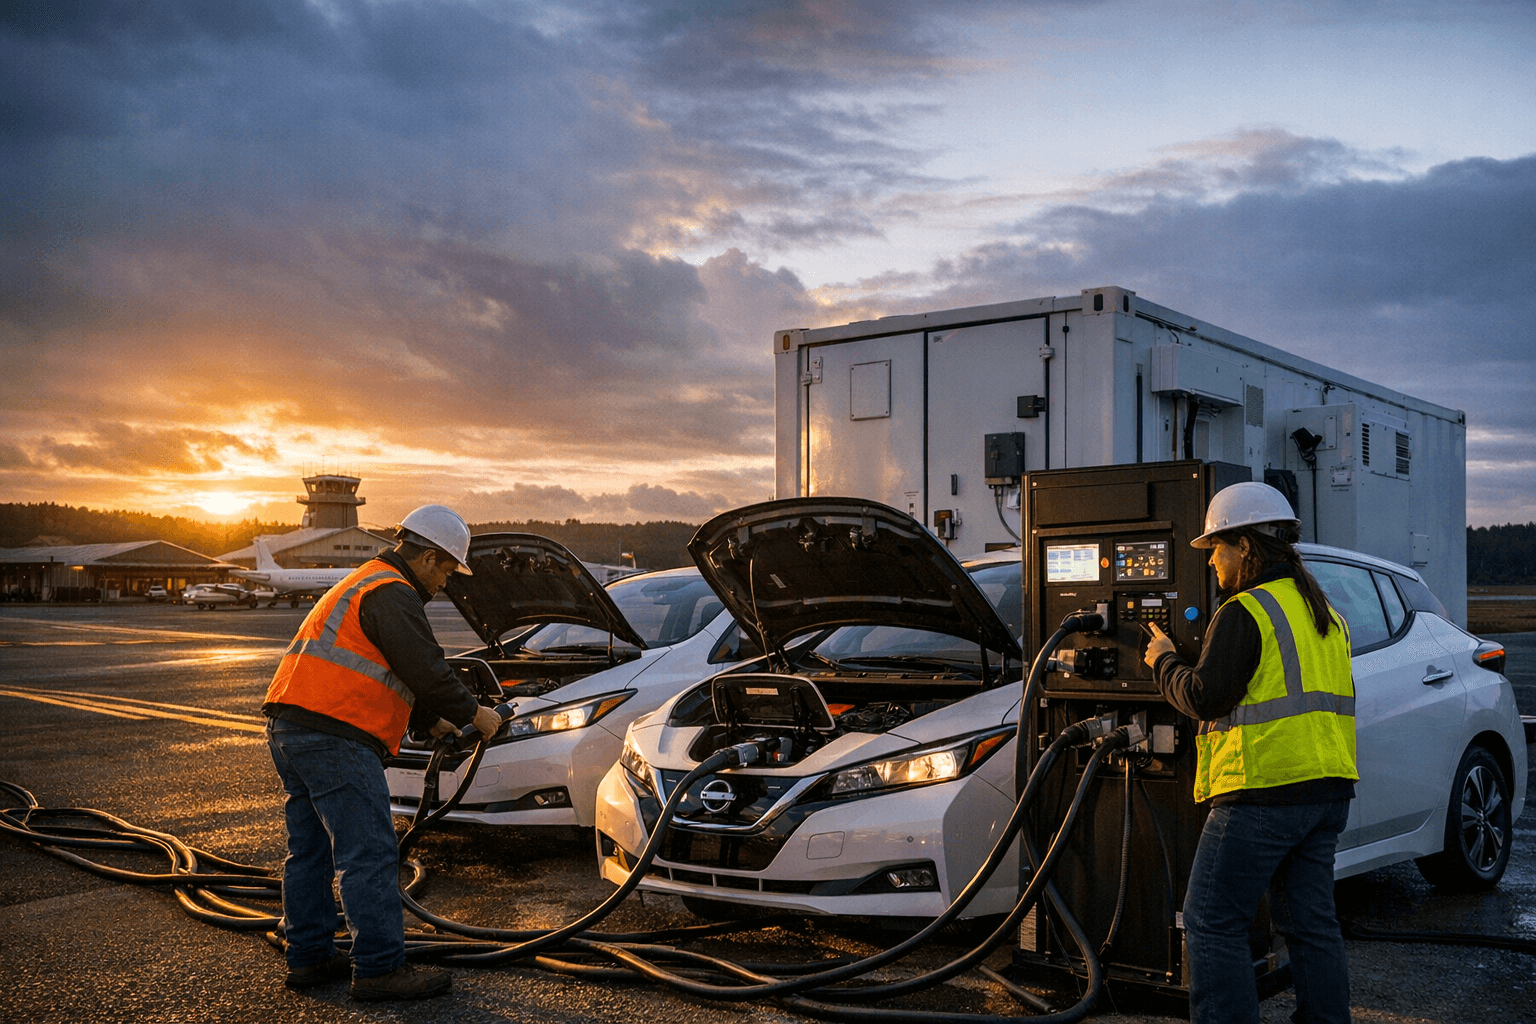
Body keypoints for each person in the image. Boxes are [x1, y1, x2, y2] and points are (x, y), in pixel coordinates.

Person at [263, 504, 502, 1001]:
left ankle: (307, 957)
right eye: (447, 571)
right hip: (336, 736)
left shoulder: (364, 582)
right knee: (369, 852)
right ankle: (377, 969)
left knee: (309, 851)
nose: (445, 584)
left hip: (292, 725)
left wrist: (425, 720)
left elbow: (377, 665)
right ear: (430, 557)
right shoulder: (393, 593)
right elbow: (424, 667)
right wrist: (472, 714)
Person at [1142, 481, 1357, 1024]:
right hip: (1327, 790)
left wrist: (1163, 660)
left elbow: (1203, 696)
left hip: (1262, 791)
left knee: (1212, 921)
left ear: (1246, 547)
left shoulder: (1246, 610)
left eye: (1216, 547)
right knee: (1311, 925)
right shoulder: (1326, 614)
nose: (1211, 561)